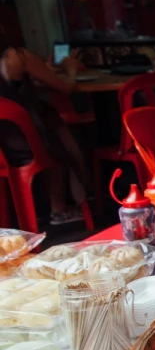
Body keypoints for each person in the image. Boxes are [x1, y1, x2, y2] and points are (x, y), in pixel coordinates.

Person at [0, 37, 90, 224]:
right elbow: (65, 87)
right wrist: (71, 68)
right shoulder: (17, 56)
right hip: (28, 139)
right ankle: (62, 207)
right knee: (61, 138)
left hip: (5, 144)